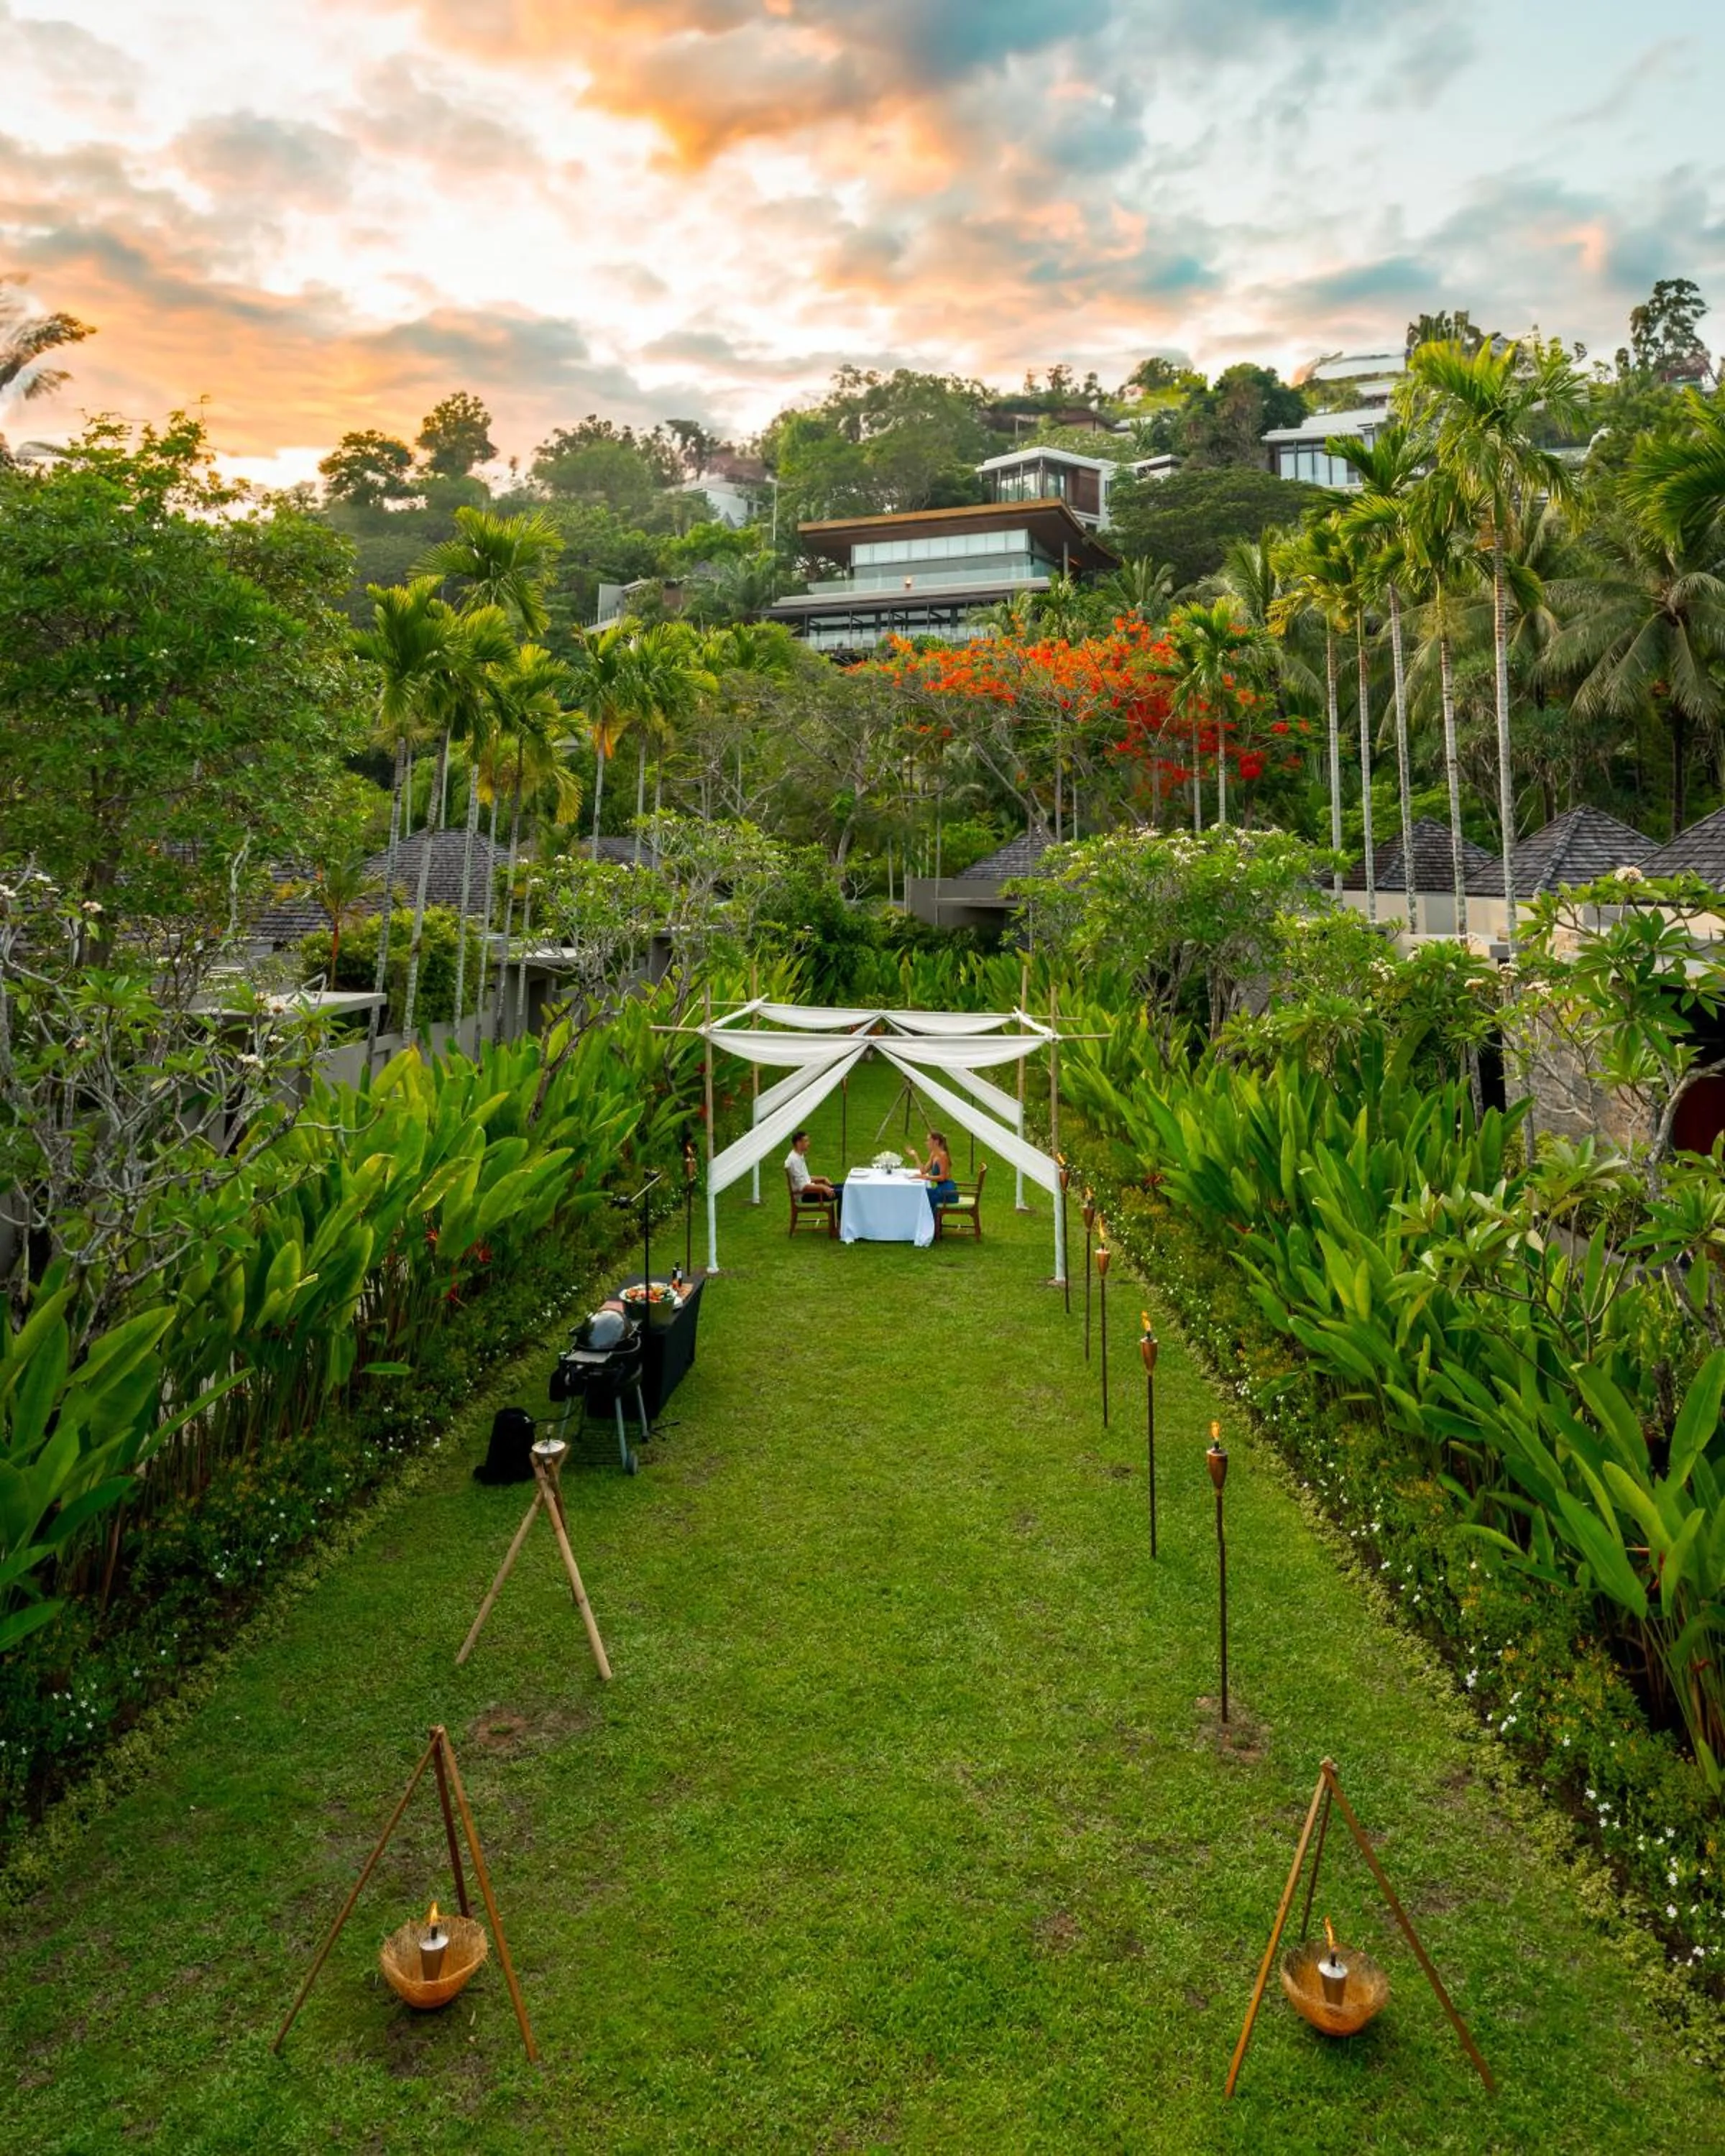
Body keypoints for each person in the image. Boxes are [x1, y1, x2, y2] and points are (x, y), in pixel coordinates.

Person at [785, 1128, 840, 1211]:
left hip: (812, 1191)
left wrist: (823, 1179)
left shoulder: (799, 1156)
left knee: (845, 1188)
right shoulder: (794, 1160)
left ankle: (840, 1222)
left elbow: (805, 1178)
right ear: (799, 1143)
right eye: (806, 1141)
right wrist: (823, 1187)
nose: (809, 1144)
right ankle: (840, 1223)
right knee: (844, 1193)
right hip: (805, 1195)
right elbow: (802, 1187)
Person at [916, 1129, 959, 1215]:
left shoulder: (942, 1156)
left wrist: (927, 1178)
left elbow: (942, 1177)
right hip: (941, 1189)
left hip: (948, 1192)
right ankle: (928, 1223)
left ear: (936, 1142)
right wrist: (915, 1156)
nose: (926, 1143)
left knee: (923, 1195)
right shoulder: (934, 1154)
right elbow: (924, 1171)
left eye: (928, 1140)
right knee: (921, 1194)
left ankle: (931, 1225)